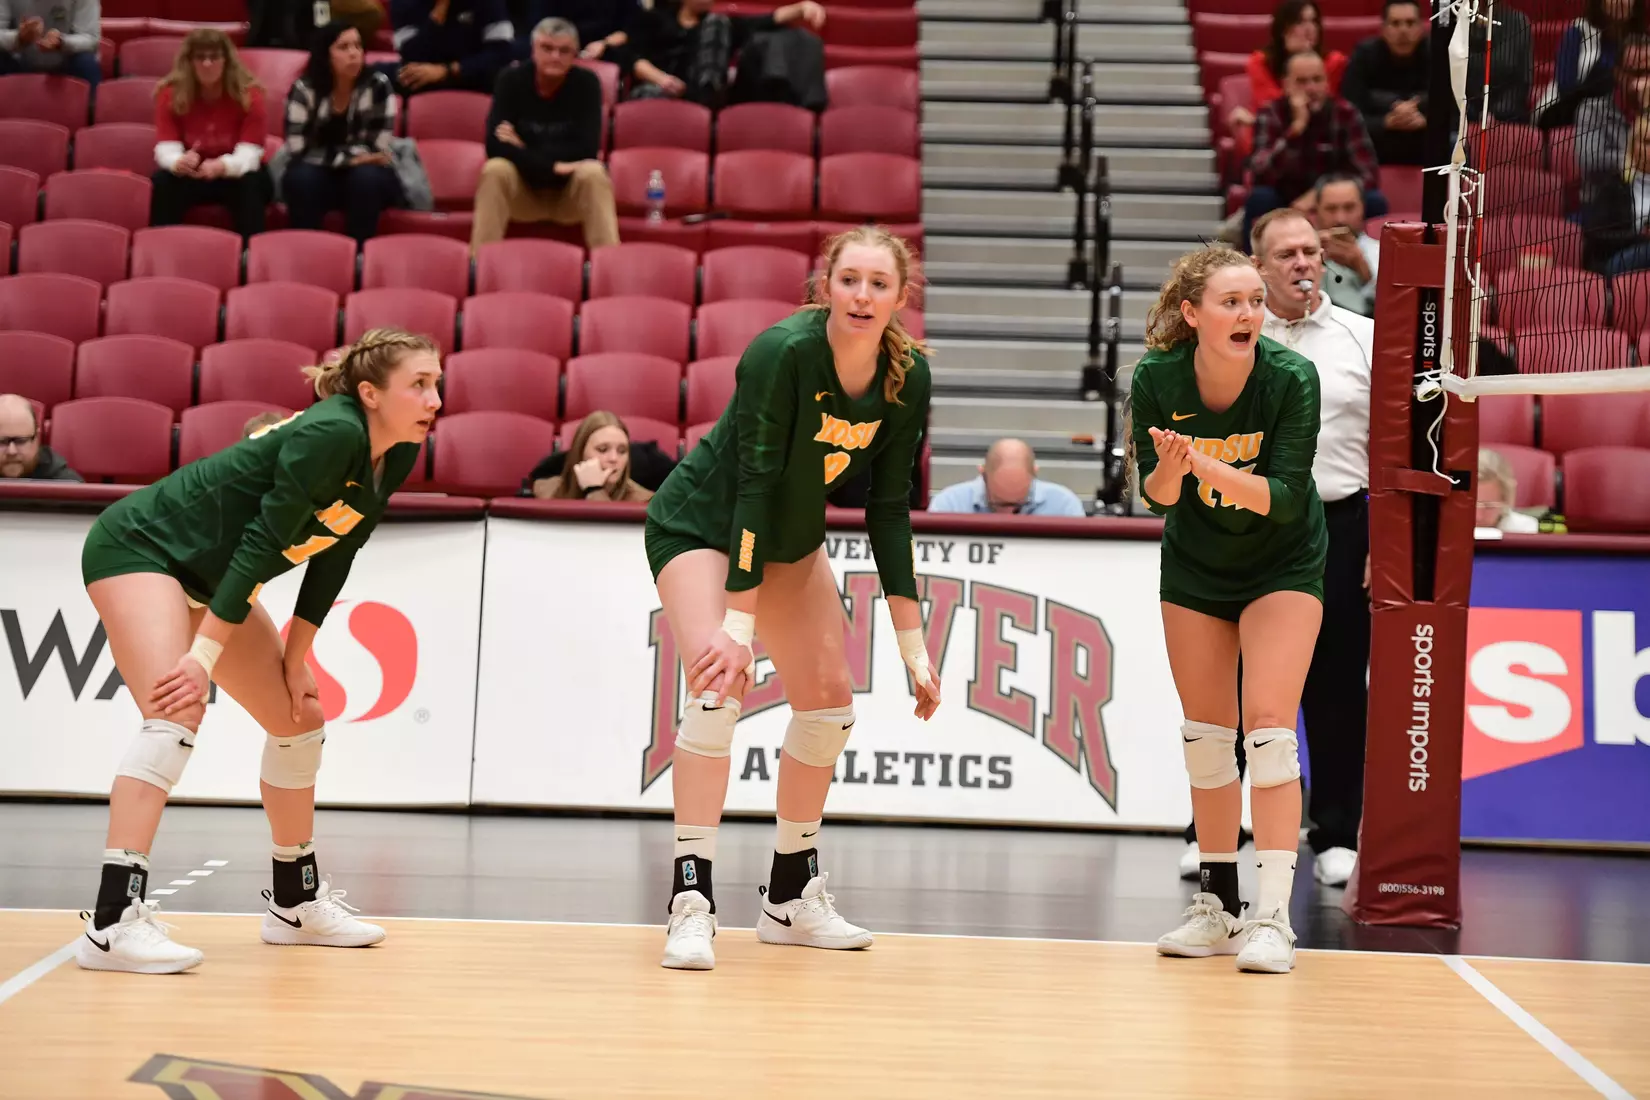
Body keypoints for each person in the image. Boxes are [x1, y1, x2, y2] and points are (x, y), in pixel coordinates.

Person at [73, 329, 443, 975]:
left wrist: (297, 660)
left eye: (436, 383)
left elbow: (338, 552)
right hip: (141, 549)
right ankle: (112, 923)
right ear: (369, 393)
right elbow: (260, 543)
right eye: (419, 384)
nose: (434, 399)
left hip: (212, 574)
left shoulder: (398, 448)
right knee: (175, 712)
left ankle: (294, 904)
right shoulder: (332, 432)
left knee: (300, 718)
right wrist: (202, 659)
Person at [642, 224, 941, 971]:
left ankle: (789, 895)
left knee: (830, 705)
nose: (862, 296)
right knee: (717, 688)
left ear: (901, 296)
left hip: (790, 541)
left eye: (879, 284)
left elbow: (889, 509)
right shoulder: (781, 352)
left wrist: (913, 646)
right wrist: (738, 627)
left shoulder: (907, 377)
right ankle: (691, 900)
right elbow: (756, 484)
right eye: (849, 280)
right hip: (704, 524)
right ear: (825, 287)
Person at [1129, 244, 1327, 975]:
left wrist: (1203, 462)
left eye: (1255, 301)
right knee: (1208, 737)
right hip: (1197, 564)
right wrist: (1172, 469)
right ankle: (1217, 906)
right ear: (1192, 313)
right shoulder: (1157, 377)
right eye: (1231, 302)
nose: (1250, 313)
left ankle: (1273, 918)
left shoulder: (1291, 377)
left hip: (1282, 561)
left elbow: (1283, 500)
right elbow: (1159, 498)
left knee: (1269, 732)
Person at [1253, 208, 1374, 890]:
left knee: (1336, 684)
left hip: (1338, 523)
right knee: (1235, 682)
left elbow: (1393, 444)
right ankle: (1216, 832)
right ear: (1259, 266)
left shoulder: (1364, 337)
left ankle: (1334, 832)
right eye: (1286, 254)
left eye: (1310, 251)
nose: (1303, 263)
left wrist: (1382, 540)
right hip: (1251, 524)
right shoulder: (1237, 334)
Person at [471, 18, 618, 254]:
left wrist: (523, 147)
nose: (555, 57)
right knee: (495, 169)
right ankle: (478, 265)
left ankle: (610, 266)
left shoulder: (587, 83)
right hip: (522, 194)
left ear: (575, 55)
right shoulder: (511, 80)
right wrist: (554, 165)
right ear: (533, 50)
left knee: (594, 173)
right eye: (547, 48)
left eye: (564, 51)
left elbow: (586, 150)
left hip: (569, 197)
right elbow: (494, 146)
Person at [281, 21, 403, 243]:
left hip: (362, 173)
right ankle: (307, 250)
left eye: (357, 46)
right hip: (319, 173)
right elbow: (298, 149)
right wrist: (351, 159)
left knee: (365, 178)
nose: (354, 53)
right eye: (343, 47)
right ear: (325, 54)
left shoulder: (378, 85)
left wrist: (333, 157)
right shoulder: (303, 89)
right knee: (302, 179)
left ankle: (359, 254)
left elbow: (377, 148)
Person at [150, 29, 273, 240]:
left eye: (214, 57)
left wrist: (221, 166)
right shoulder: (170, 93)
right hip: (193, 172)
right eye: (200, 57)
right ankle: (161, 246)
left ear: (226, 60)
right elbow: (166, 147)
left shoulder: (250, 94)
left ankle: (250, 252)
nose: (207, 64)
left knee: (251, 183)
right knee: (162, 181)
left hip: (235, 171)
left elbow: (250, 153)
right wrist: (178, 162)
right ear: (189, 62)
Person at [1340, 0, 1430, 166]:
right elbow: (1349, 112)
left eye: (1410, 23)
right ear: (1383, 29)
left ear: (1421, 28)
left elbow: (1456, 112)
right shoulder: (1364, 55)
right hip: (1377, 143)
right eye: (1395, 23)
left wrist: (1426, 122)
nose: (1403, 31)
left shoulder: (1438, 54)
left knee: (1456, 142)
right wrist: (1386, 122)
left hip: (1427, 143)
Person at [926, 437, 1086, 516]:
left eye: (1018, 505)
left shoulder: (1064, 506)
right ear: (983, 473)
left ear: (1034, 474)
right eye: (999, 503)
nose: (1008, 515)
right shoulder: (949, 505)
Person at [532, 410, 654, 501]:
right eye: (602, 450)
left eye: (622, 451)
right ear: (580, 453)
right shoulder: (547, 491)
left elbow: (607, 528)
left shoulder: (645, 502)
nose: (613, 458)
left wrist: (594, 490)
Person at [0, 0, 101, 84]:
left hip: (67, 62)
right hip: (19, 61)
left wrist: (62, 42)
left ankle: (91, 101)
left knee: (86, 63)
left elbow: (91, 38)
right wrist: (19, 38)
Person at [0, 394, 82, 481]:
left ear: (37, 439)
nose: (12, 451)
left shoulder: (63, 480)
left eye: (21, 441)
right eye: (1, 441)